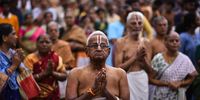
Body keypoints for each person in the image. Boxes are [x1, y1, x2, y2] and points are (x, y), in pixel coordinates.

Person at [66, 31, 129, 100]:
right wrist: (93, 90)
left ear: (108, 51)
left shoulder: (120, 74)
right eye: (94, 46)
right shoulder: (75, 74)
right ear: (87, 51)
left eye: (103, 46)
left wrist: (105, 92)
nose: (99, 49)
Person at [113, 11, 152, 100]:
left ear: (143, 25)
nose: (137, 25)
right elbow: (117, 69)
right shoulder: (121, 42)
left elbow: (150, 71)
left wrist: (144, 59)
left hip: (142, 80)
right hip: (126, 79)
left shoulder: (146, 43)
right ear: (127, 25)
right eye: (133, 23)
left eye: (140, 23)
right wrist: (135, 57)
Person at [149, 31, 197, 100]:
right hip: (160, 96)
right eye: (171, 41)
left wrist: (180, 83)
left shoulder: (185, 59)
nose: (174, 43)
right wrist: (167, 84)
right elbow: (150, 79)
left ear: (180, 44)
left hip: (178, 96)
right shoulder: (158, 58)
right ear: (165, 43)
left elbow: (192, 77)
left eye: (177, 41)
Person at [23, 34, 66, 99]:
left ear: (52, 44)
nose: (44, 44)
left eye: (47, 42)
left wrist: (52, 73)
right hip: (35, 96)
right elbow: (26, 79)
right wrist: (45, 73)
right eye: (41, 42)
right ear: (36, 44)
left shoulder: (56, 58)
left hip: (53, 95)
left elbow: (64, 76)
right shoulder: (30, 58)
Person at [0, 23, 25, 99]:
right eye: (13, 34)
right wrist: (14, 65)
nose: (16, 37)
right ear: (4, 37)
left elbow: (25, 73)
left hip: (16, 94)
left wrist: (20, 62)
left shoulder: (14, 53)